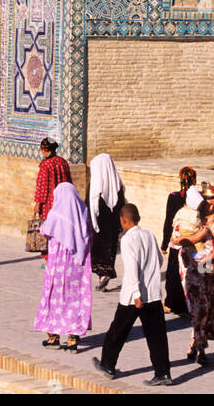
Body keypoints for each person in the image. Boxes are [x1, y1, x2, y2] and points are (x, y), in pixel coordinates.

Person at [93, 203, 173, 386]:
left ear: (123, 220)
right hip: (153, 294)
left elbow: (131, 269)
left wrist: (136, 293)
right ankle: (163, 373)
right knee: (157, 335)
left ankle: (108, 365)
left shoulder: (128, 239)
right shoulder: (149, 235)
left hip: (133, 296)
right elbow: (159, 260)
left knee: (118, 330)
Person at [34, 182, 92, 350]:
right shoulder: (83, 211)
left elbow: (45, 231)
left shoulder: (56, 213)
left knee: (54, 296)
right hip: (77, 266)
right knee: (75, 298)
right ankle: (73, 337)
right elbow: (89, 234)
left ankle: (53, 337)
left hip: (57, 266)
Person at [170, 187, 214, 366]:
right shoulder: (186, 215)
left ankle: (197, 344)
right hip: (190, 265)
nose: (210, 208)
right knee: (197, 306)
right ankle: (199, 346)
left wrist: (210, 256)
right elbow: (175, 240)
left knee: (207, 305)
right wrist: (195, 238)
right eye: (208, 204)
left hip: (209, 265)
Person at [161, 166, 197, 315]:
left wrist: (164, 244)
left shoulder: (174, 196)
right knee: (195, 272)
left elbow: (169, 220)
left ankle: (172, 304)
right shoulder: (198, 197)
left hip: (177, 242)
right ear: (194, 179)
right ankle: (192, 304)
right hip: (196, 242)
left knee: (174, 274)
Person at [88, 153, 124, 290]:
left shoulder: (95, 185)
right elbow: (121, 205)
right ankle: (104, 277)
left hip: (98, 226)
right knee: (110, 251)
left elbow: (90, 204)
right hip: (113, 227)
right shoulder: (117, 185)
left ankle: (102, 277)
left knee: (98, 251)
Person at [33, 137, 71, 224]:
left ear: (45, 149)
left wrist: (38, 204)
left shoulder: (45, 165)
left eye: (42, 149)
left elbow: (42, 187)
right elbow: (69, 182)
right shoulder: (63, 162)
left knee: (49, 227)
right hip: (62, 201)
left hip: (49, 203)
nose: (41, 152)